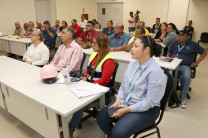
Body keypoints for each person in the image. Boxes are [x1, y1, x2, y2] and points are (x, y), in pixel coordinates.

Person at [97, 35, 167, 138]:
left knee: (119, 132)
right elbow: (124, 85)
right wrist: (118, 100)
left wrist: (125, 110)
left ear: (146, 49)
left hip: (147, 110)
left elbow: (149, 102)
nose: (132, 49)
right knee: (101, 118)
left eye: (136, 46)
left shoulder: (155, 72)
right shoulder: (133, 64)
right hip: (127, 102)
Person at [68, 33, 115, 138]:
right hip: (89, 86)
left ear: (101, 45)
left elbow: (104, 81)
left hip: (100, 92)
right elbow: (87, 70)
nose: (91, 45)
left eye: (94, 43)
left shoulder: (109, 61)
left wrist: (87, 87)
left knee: (79, 102)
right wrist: (84, 78)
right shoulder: (94, 55)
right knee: (69, 90)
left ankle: (70, 129)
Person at [166, 30, 207, 108]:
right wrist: (168, 58)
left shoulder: (193, 44)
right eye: (179, 35)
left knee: (186, 77)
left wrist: (196, 63)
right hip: (172, 65)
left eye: (182, 35)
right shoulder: (174, 43)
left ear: (187, 37)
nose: (179, 37)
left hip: (184, 66)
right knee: (161, 75)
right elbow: (168, 54)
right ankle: (165, 96)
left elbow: (204, 53)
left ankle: (181, 99)